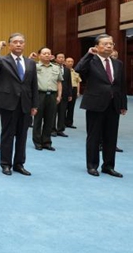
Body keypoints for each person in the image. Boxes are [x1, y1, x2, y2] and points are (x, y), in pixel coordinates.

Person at [75, 34, 128, 178]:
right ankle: (92, 166)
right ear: (97, 46)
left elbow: (121, 85)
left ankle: (108, 166)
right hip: (95, 104)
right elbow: (78, 69)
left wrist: (123, 104)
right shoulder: (91, 61)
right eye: (105, 44)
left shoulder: (118, 63)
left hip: (113, 104)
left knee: (111, 137)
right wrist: (88, 54)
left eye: (111, 44)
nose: (109, 46)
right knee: (94, 136)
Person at [0, 35, 38, 176]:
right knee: (7, 135)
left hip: (25, 104)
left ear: (24, 45)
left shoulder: (30, 63)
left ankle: (19, 164)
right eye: (15, 42)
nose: (18, 44)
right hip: (8, 103)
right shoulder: (3, 60)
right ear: (9, 45)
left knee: (22, 136)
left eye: (21, 42)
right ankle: (5, 164)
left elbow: (33, 84)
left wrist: (34, 104)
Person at [32, 47, 63, 151]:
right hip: (39, 95)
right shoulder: (34, 67)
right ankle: (37, 142)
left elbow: (59, 82)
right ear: (40, 55)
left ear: (51, 55)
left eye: (48, 53)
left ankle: (46, 142)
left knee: (50, 120)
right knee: (38, 120)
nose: (46, 55)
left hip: (52, 95)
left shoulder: (56, 68)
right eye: (44, 53)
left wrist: (59, 95)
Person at [52, 52, 71, 138]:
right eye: (59, 57)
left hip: (65, 93)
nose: (61, 59)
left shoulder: (67, 69)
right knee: (53, 112)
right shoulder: (52, 67)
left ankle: (60, 129)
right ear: (55, 59)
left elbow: (69, 82)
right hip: (54, 93)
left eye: (63, 57)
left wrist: (70, 94)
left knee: (62, 112)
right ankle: (52, 129)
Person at [65, 57, 80, 129]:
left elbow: (78, 82)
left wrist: (77, 92)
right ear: (65, 62)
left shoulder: (75, 71)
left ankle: (69, 122)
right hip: (67, 89)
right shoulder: (64, 71)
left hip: (74, 89)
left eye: (72, 61)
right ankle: (62, 122)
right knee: (64, 107)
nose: (70, 63)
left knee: (71, 107)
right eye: (68, 61)